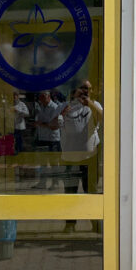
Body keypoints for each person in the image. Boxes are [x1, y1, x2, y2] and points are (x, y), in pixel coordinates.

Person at [60, 81, 102, 232]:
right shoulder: (65, 106)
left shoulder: (95, 105)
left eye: (89, 89)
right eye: (83, 88)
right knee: (70, 192)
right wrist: (63, 112)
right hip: (69, 157)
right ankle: (70, 224)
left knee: (91, 191)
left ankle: (95, 223)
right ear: (75, 90)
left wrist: (89, 103)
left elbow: (105, 118)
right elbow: (52, 124)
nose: (86, 91)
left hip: (90, 157)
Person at [32, 90, 62, 189]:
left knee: (53, 163)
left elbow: (56, 125)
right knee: (43, 162)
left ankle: (55, 183)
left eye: (43, 97)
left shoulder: (55, 107)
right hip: (42, 137)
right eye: (40, 97)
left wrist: (41, 124)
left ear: (48, 97)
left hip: (52, 139)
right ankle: (42, 182)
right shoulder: (41, 107)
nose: (41, 99)